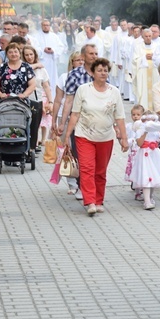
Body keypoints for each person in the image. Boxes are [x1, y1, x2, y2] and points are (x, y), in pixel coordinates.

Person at [65, 58, 128, 216]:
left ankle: (99, 201)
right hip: (84, 135)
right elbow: (75, 114)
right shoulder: (83, 90)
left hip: (105, 137)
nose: (103, 73)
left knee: (100, 171)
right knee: (87, 169)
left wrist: (124, 138)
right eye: (99, 70)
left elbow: (120, 117)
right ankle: (90, 202)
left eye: (105, 70)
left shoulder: (114, 92)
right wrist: (67, 135)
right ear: (92, 73)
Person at [53, 52, 84, 195]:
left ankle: (82, 181)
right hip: (65, 116)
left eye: (82, 60)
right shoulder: (64, 77)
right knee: (68, 150)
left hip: (82, 117)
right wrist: (55, 120)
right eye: (77, 60)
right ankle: (72, 182)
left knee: (81, 150)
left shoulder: (87, 77)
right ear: (72, 62)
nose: (80, 63)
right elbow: (59, 100)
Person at [131, 111, 160, 210]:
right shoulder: (140, 130)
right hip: (145, 155)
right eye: (148, 120)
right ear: (144, 120)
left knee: (154, 176)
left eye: (152, 120)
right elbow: (140, 144)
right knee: (146, 176)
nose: (150, 122)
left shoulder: (156, 131)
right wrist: (145, 131)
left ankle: (150, 197)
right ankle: (147, 201)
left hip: (154, 154)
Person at [22, 46, 54, 152]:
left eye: (31, 54)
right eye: (27, 55)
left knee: (35, 125)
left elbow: (46, 86)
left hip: (38, 100)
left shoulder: (42, 70)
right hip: (25, 99)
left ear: (35, 55)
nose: (29, 57)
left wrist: (50, 101)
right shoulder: (22, 68)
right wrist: (35, 65)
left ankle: (32, 147)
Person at [132, 28, 160, 109]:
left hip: (154, 73)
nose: (148, 38)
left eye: (150, 36)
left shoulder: (157, 46)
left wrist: (154, 57)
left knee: (155, 91)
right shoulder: (138, 47)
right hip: (143, 74)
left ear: (152, 36)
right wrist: (144, 57)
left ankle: (155, 110)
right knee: (143, 93)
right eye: (146, 36)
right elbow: (134, 60)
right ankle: (144, 110)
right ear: (142, 36)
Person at [124, 104, 145, 201]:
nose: (135, 117)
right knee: (135, 171)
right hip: (133, 153)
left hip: (142, 152)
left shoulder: (144, 126)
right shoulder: (129, 126)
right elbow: (126, 137)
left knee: (142, 171)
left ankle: (142, 189)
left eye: (138, 114)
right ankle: (137, 191)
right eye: (133, 115)